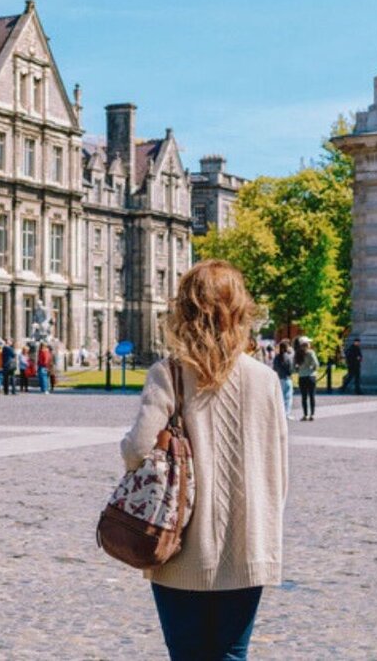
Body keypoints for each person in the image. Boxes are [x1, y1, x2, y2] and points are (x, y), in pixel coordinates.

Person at [121, 260, 286, 661]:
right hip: (249, 540)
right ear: (239, 311)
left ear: (185, 311)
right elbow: (278, 468)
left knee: (188, 655)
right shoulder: (264, 379)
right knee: (232, 654)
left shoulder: (168, 374)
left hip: (179, 545)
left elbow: (137, 451)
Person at [293, 337, 318, 422]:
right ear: (307, 344)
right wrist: (313, 369)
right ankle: (312, 414)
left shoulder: (297, 354)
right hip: (311, 376)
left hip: (302, 376)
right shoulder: (311, 353)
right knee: (312, 396)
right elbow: (316, 364)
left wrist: (299, 369)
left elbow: (294, 367)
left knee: (304, 397)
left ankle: (305, 414)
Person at [271, 343, 293, 418]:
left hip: (279, 378)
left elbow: (274, 368)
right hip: (287, 378)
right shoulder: (288, 357)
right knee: (288, 397)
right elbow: (290, 369)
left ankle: (280, 413)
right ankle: (287, 413)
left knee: (280, 397)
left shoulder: (277, 357)